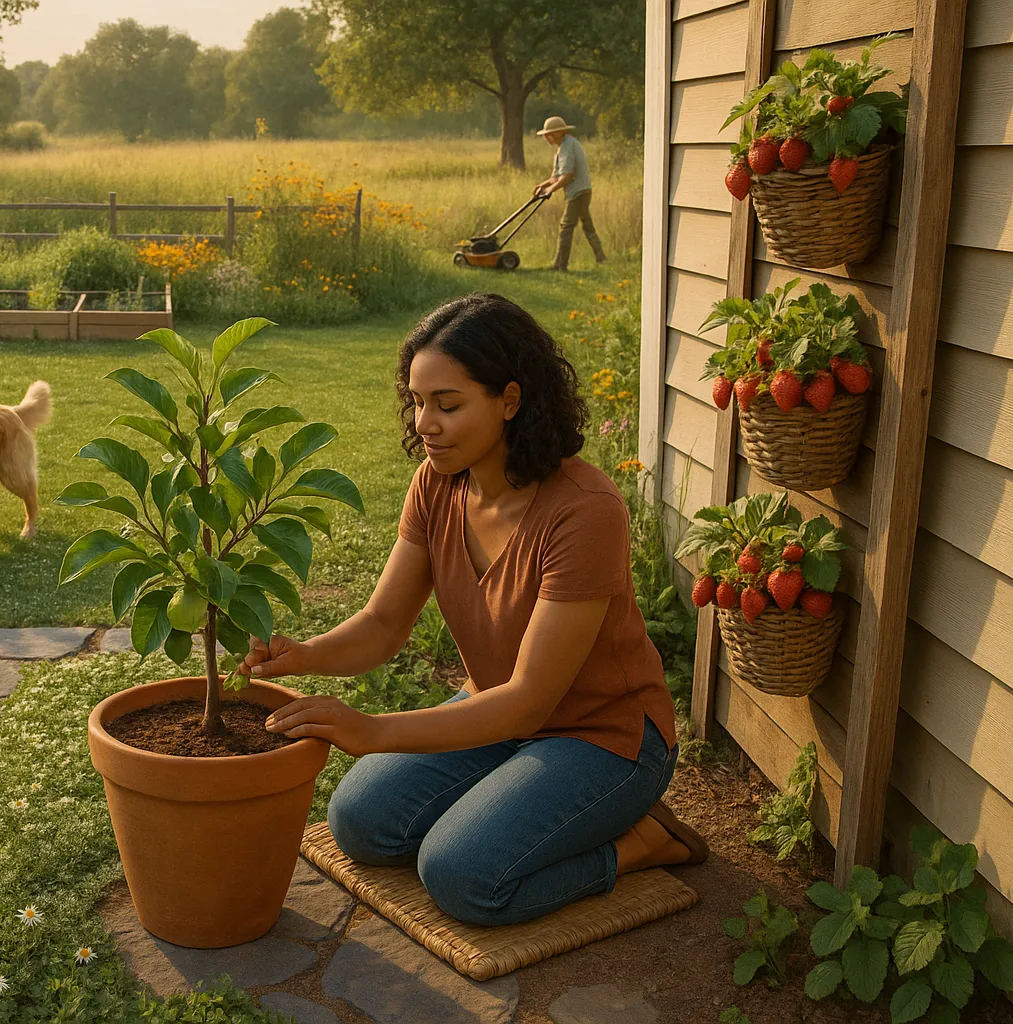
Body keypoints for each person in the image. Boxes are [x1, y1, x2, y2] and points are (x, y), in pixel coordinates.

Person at [242, 293, 706, 928]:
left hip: (604, 738)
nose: (424, 422)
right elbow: (384, 624)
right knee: (360, 822)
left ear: (510, 401)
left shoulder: (585, 510)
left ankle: (644, 841)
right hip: (498, 714)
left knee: (461, 875)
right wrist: (307, 656)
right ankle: (512, 803)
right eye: (417, 401)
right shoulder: (438, 482)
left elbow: (529, 702)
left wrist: (373, 730)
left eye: (448, 404)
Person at [533, 115, 607, 271]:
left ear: (559, 133)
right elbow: (556, 176)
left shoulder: (568, 146)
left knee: (565, 227)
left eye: (549, 134)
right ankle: (601, 259)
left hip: (578, 192)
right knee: (587, 226)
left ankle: (560, 265)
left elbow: (568, 175)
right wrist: (542, 185)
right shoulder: (562, 148)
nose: (546, 137)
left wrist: (549, 191)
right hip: (581, 191)